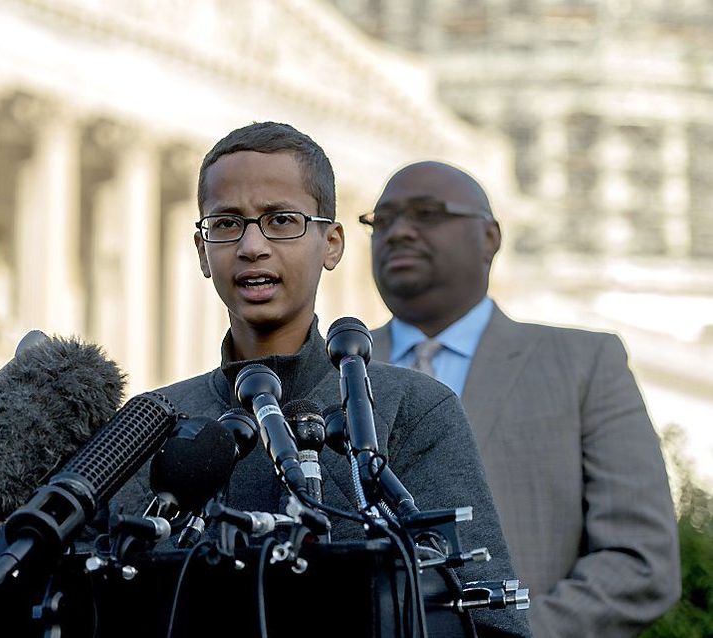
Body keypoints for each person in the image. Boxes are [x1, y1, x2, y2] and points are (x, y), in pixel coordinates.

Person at [112, 123, 531, 636]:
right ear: (203, 251)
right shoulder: (146, 427)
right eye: (226, 224)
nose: (251, 246)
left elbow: (490, 621)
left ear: (331, 244)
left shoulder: (411, 408)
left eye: (281, 220)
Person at [364, 160, 680, 636]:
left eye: (427, 213)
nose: (399, 232)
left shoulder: (582, 364)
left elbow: (641, 560)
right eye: (382, 220)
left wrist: (514, 633)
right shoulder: (334, 376)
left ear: (490, 237)